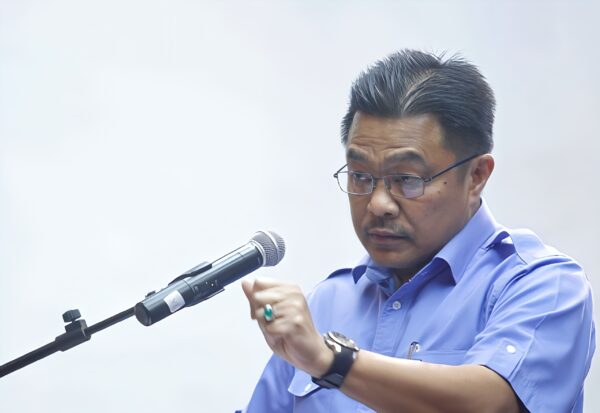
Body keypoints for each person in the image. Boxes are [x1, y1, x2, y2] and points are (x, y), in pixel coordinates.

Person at [239, 49, 596, 413]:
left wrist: (333, 362)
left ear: (476, 176)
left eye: (407, 179)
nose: (378, 204)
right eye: (360, 175)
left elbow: (493, 404)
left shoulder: (544, 286)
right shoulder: (327, 303)